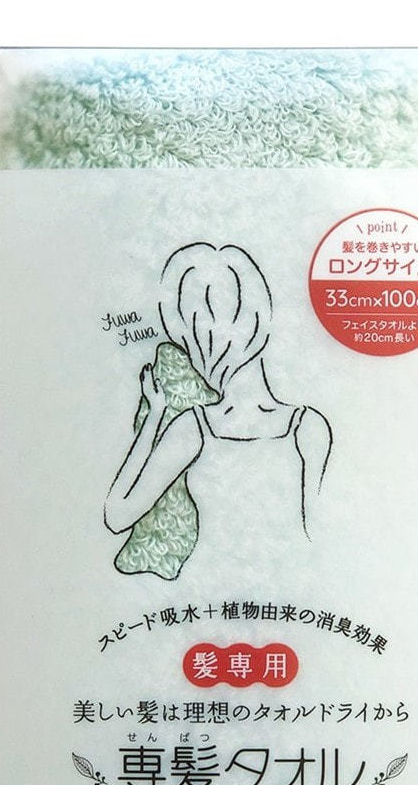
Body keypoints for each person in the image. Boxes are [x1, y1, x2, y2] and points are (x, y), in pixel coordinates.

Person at [105, 243, 332, 577]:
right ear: (261, 318)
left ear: (193, 340)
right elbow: (320, 536)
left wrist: (154, 417)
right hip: (285, 591)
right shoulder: (308, 425)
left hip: (205, 594)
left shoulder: (195, 427)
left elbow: (117, 514)